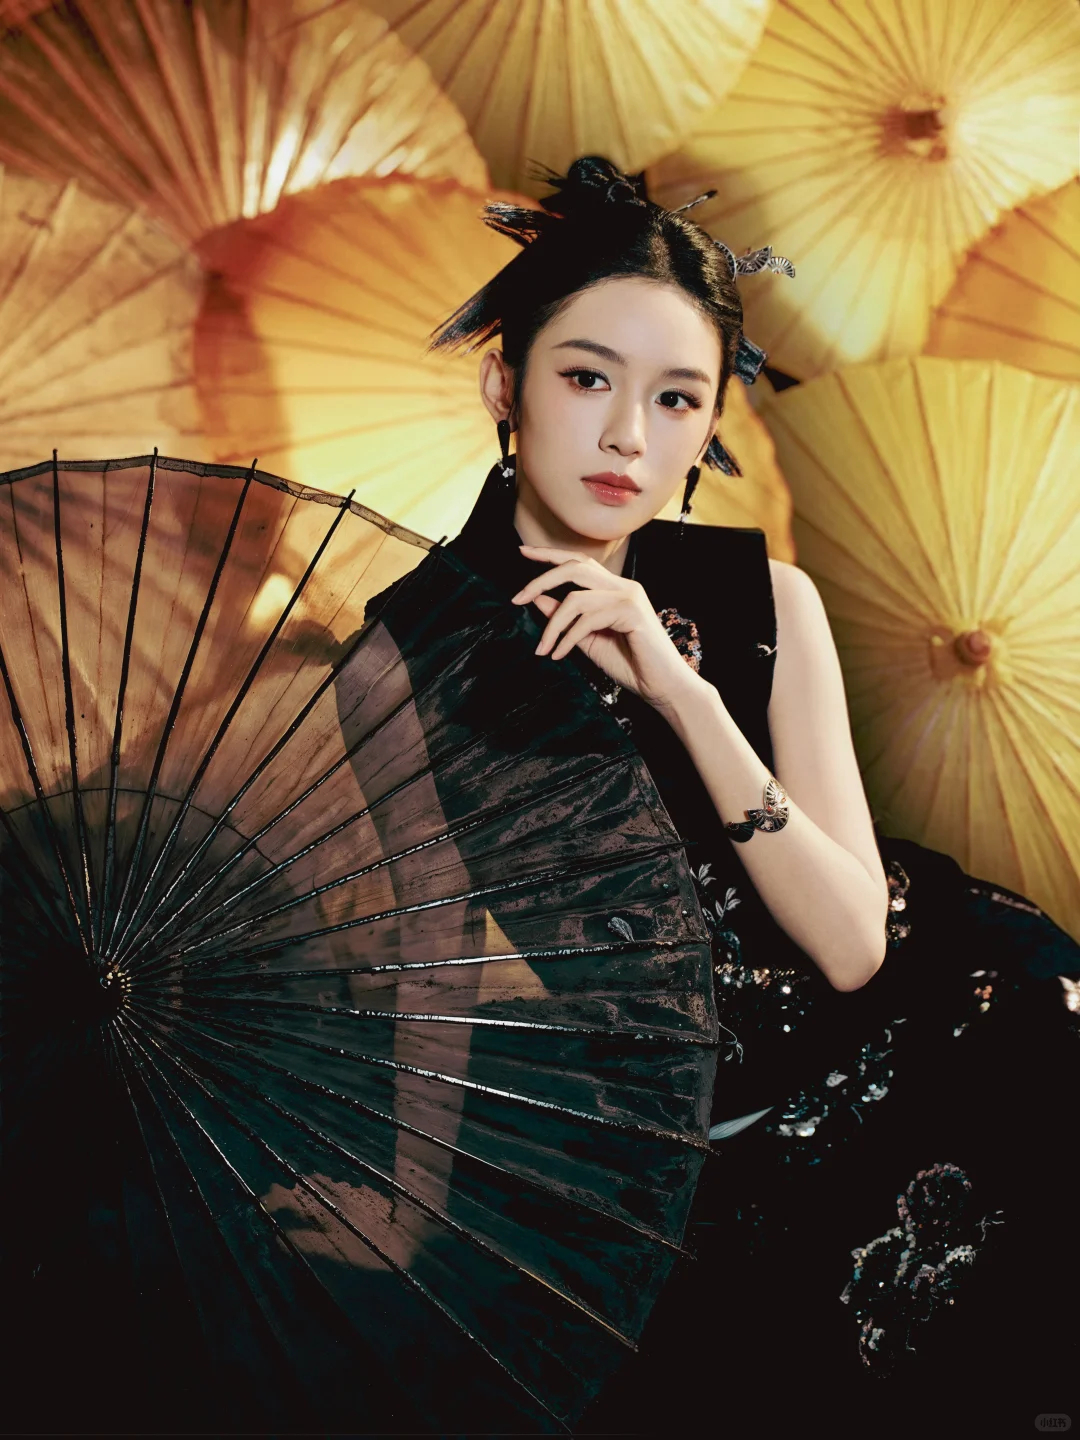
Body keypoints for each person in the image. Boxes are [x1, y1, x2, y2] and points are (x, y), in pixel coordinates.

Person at [365, 156, 1079, 1437]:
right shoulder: (402, 656)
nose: (628, 438)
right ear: (504, 386)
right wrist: (408, 1208)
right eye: (587, 378)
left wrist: (688, 698)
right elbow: (433, 973)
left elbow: (856, 947)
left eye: (676, 398)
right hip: (681, 1139)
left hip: (928, 1028)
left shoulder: (767, 601)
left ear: (707, 429)